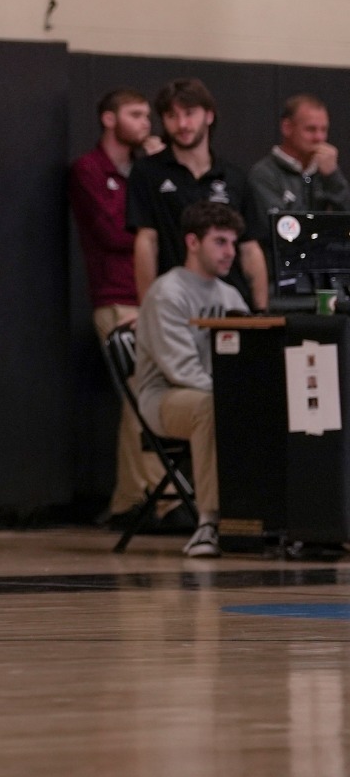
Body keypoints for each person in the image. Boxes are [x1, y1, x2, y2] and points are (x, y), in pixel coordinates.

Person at [69, 88, 166, 523]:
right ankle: (145, 497)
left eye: (148, 114)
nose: (146, 122)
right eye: (136, 113)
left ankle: (142, 494)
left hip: (155, 294)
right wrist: (152, 230)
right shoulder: (89, 169)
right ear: (109, 119)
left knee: (154, 392)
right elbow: (114, 231)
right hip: (116, 298)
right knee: (138, 392)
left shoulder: (146, 172)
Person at [131, 201, 249, 557]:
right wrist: (233, 399)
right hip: (165, 398)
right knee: (210, 406)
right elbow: (180, 371)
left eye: (232, 243)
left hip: (209, 394)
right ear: (193, 243)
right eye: (220, 242)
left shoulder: (230, 294)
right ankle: (209, 524)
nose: (230, 252)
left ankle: (270, 519)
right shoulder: (168, 293)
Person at [128, 78, 268, 310]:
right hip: (175, 302)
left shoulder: (233, 177)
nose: (182, 124)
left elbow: (250, 249)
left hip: (232, 303)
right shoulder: (148, 172)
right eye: (172, 116)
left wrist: (262, 312)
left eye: (190, 113)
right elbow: (146, 242)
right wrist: (147, 308)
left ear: (209, 116)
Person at [249, 94, 349, 219]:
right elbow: (280, 229)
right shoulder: (265, 174)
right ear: (287, 128)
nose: (319, 138)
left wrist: (333, 177)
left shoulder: (327, 173)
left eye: (324, 130)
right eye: (311, 129)